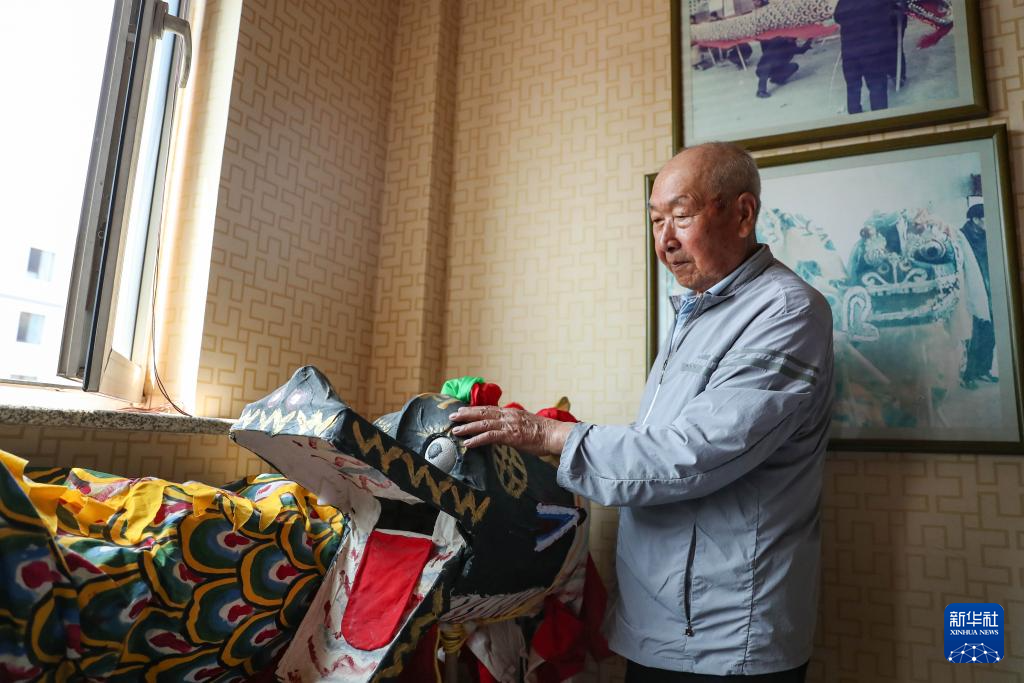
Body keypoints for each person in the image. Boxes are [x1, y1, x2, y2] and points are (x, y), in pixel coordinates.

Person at [449, 142, 835, 681]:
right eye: (656, 221)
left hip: (725, 634)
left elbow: (689, 455)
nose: (665, 240)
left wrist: (546, 434)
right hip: (658, 620)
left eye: (682, 215)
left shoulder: (787, 312)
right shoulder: (695, 313)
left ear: (743, 213)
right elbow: (653, 441)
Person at [834, 0, 899, 114]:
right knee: (877, 85)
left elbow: (837, 17)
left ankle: (855, 117)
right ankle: (879, 118)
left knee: (853, 87)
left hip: (850, 53)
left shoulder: (843, 3)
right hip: (872, 51)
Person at [959, 203, 996, 388]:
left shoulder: (988, 235)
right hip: (972, 294)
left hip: (989, 291)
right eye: (986, 218)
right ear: (975, 219)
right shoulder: (962, 238)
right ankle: (969, 375)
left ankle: (983, 370)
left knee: (990, 333)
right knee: (974, 336)